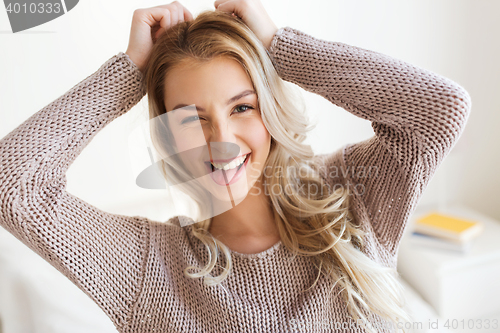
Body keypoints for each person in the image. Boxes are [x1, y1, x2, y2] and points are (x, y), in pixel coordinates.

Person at [0, 0, 471, 332]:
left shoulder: (351, 199)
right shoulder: (149, 267)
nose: (220, 141)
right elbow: (12, 181)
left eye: (242, 108)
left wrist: (278, 46)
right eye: (190, 118)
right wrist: (130, 71)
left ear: (269, 111)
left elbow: (440, 110)